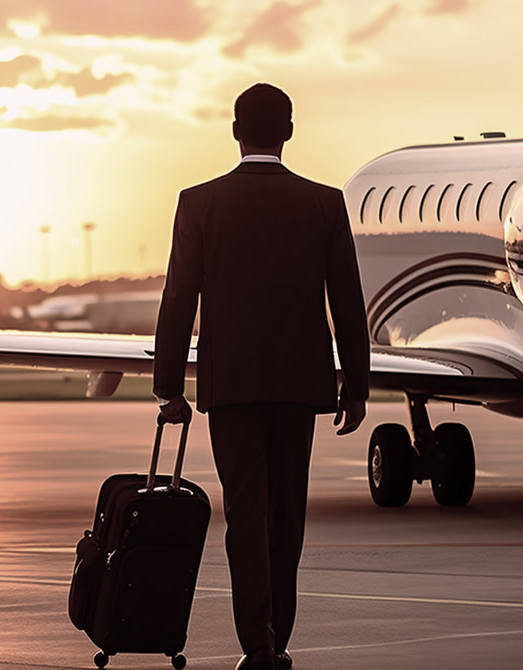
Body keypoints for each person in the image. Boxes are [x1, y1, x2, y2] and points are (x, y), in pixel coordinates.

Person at [153, 83, 370, 670]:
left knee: (245, 514)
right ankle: (280, 636)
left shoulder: (200, 202)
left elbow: (179, 298)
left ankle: (259, 643)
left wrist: (168, 387)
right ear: (290, 131)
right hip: (300, 386)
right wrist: (356, 384)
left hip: (233, 387)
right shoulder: (324, 203)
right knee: (286, 515)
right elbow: (347, 301)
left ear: (234, 130)